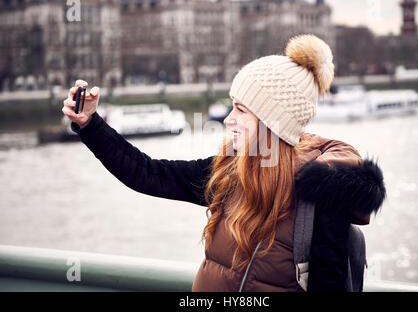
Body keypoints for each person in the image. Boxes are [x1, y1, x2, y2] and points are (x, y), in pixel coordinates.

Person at [62, 34, 386, 292]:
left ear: (273, 121)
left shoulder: (318, 197)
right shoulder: (230, 171)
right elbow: (148, 173)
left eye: (241, 110)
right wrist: (91, 125)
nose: (229, 119)